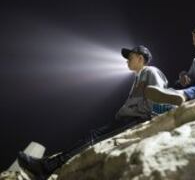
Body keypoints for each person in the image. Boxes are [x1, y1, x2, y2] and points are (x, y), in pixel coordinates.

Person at [17, 45, 172, 179]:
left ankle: (45, 168)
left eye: (130, 57)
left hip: (136, 120)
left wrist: (149, 119)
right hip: (127, 119)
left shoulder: (151, 71)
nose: (127, 61)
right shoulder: (138, 78)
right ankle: (47, 166)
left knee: (92, 138)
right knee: (92, 136)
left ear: (140, 58)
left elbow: (158, 96)